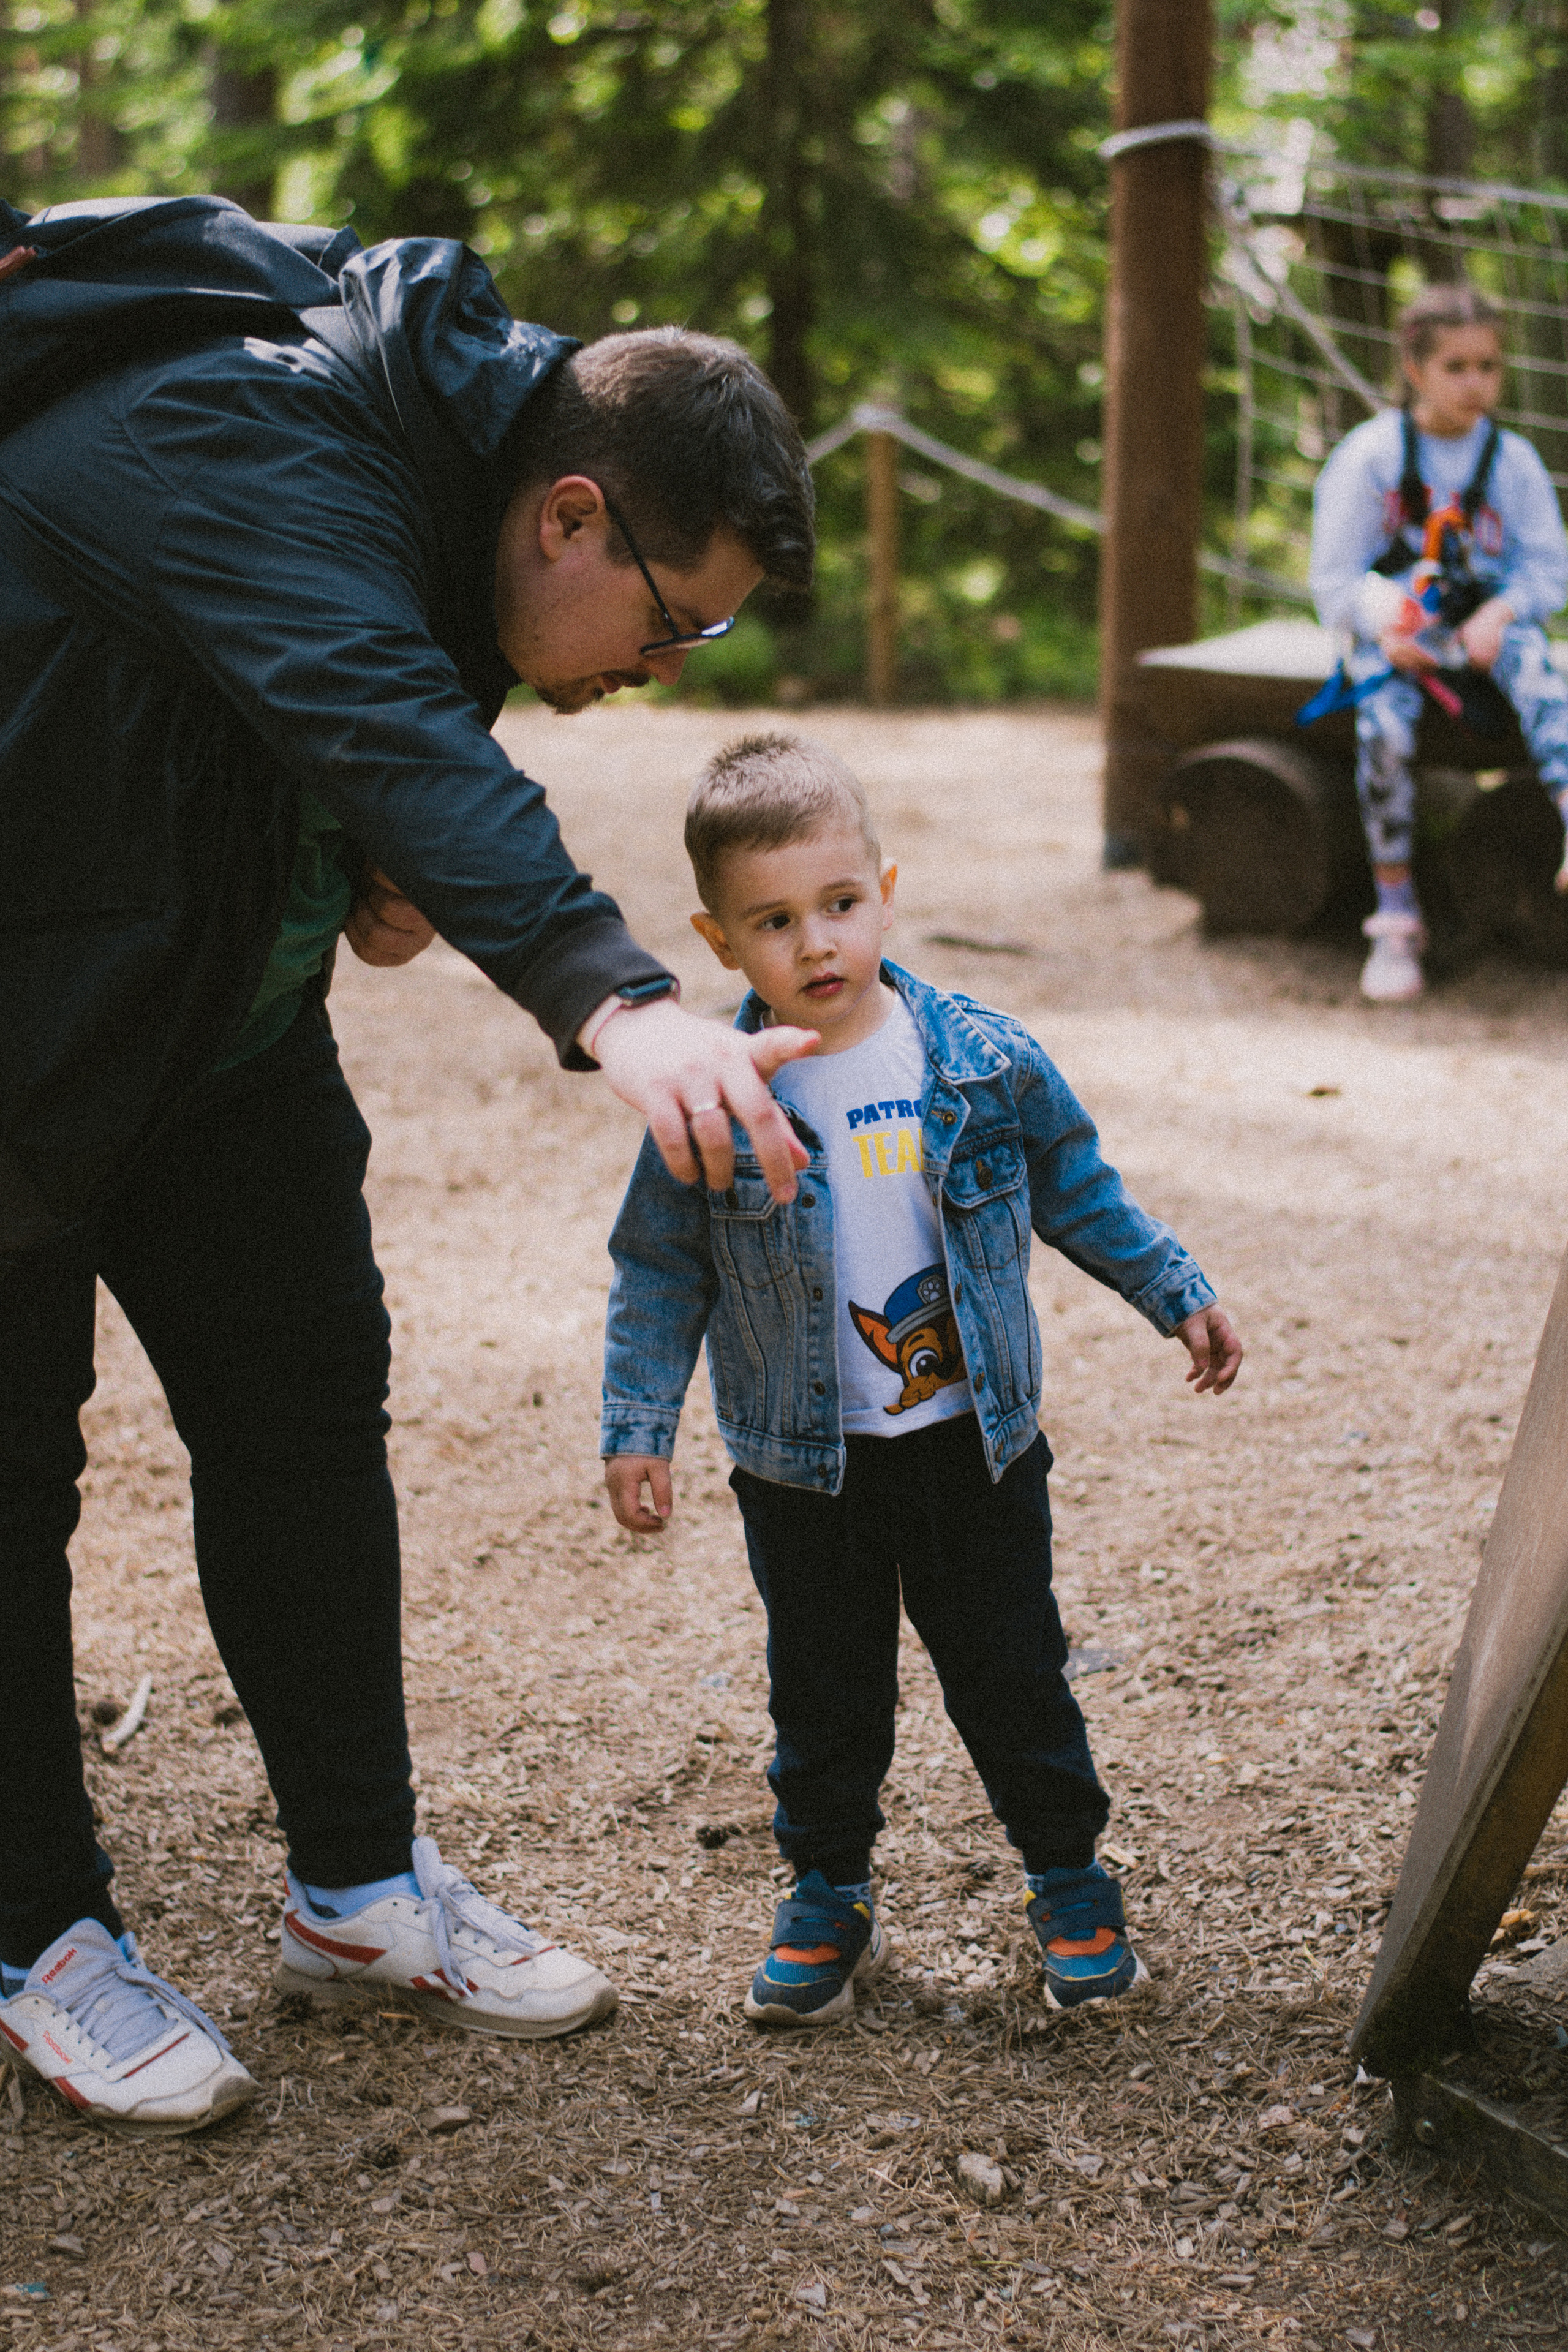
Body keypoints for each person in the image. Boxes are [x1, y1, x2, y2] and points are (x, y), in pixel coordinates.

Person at [0, 194, 823, 2135]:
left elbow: (342, 733)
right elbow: (375, 705)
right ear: (570, 517)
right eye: (673, 615)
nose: (665, 661)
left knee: (300, 1410)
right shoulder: (251, 428)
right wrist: (619, 1004)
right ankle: (38, 1933)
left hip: (206, 1012)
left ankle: (358, 1889)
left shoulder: (447, 480)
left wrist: (338, 875)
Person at [600, 734, 1243, 2027]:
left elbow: (1078, 1192)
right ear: (719, 941)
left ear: (883, 891)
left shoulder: (977, 1060)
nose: (815, 941)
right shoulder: (714, 1100)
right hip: (805, 1463)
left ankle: (1066, 1874)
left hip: (972, 1448)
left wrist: (1172, 1289)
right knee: (823, 1692)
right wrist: (637, 1425)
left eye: (839, 905)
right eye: (774, 921)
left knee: (1012, 1669)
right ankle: (827, 1889)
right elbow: (660, 1269)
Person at [1309, 281, 1568, 1003]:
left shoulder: (1511, 463)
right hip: (1400, 640)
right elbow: (1333, 580)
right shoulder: (1369, 458)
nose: (1475, 383)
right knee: (1384, 729)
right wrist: (1386, 621)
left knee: (1547, 683)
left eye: (1488, 366)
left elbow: (1550, 568)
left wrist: (1507, 610)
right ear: (1415, 368)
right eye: (1456, 366)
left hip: (1488, 633)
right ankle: (1394, 918)